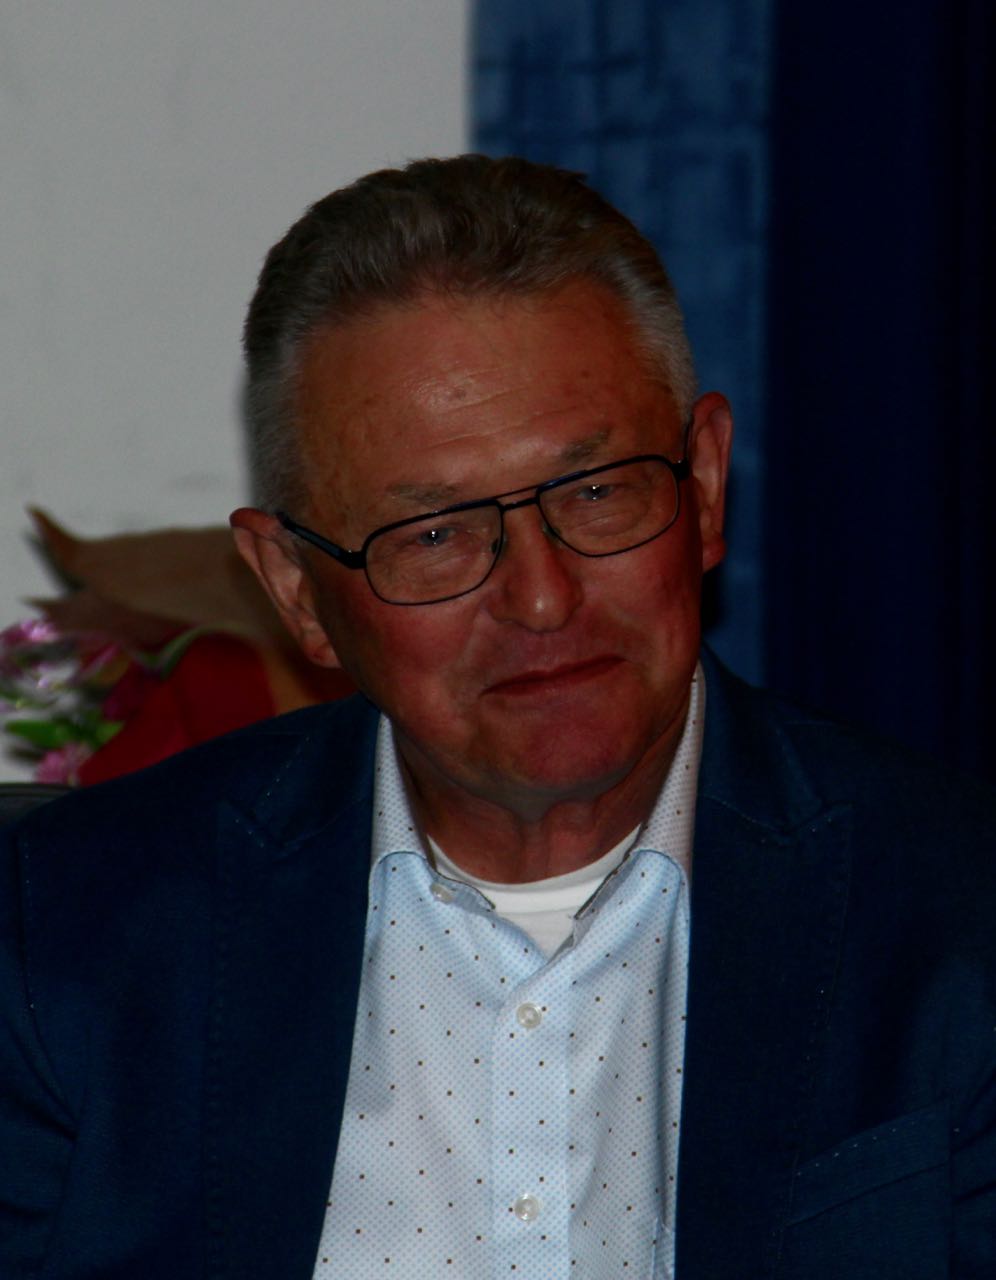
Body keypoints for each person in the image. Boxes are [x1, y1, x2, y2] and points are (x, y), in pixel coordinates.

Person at [1, 155, 994, 1280]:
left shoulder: (957, 919)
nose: (542, 597)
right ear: (296, 590)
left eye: (597, 491)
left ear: (706, 486)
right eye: (433, 535)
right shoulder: (64, 944)